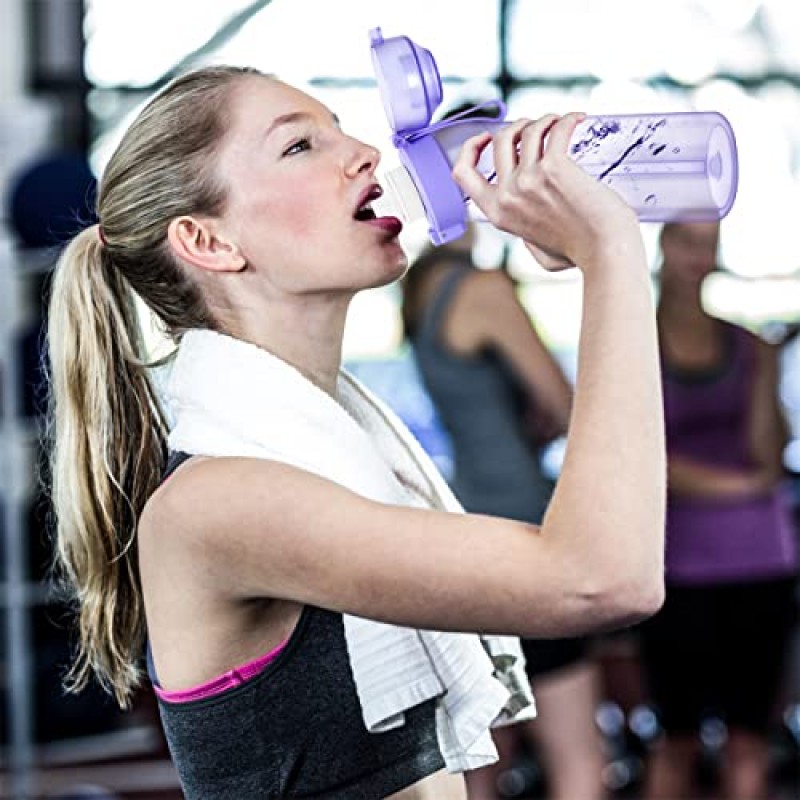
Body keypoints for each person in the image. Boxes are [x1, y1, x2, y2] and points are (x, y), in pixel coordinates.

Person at [46, 65, 665, 799]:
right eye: (301, 146)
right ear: (208, 241)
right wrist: (613, 254)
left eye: (340, 129)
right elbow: (601, 578)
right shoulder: (216, 503)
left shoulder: (351, 452)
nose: (367, 152)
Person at [402, 225, 607, 800]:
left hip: (465, 529)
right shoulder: (481, 287)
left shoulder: (422, 288)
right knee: (577, 760)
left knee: (482, 762)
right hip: (523, 531)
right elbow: (567, 408)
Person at [638, 221, 799, 800]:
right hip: (677, 565)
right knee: (675, 739)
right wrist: (741, 488)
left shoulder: (748, 345)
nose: (699, 256)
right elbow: (647, 459)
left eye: (709, 244)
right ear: (664, 248)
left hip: (761, 559)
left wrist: (766, 370)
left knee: (748, 740)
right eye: (687, 242)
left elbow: (767, 455)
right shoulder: (634, 345)